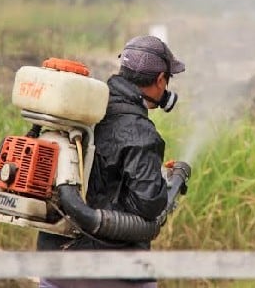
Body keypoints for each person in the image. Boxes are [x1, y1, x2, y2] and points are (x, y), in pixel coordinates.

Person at [37, 35, 186, 288]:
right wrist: (164, 183)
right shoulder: (141, 134)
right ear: (160, 80)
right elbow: (149, 208)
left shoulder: (82, 110)